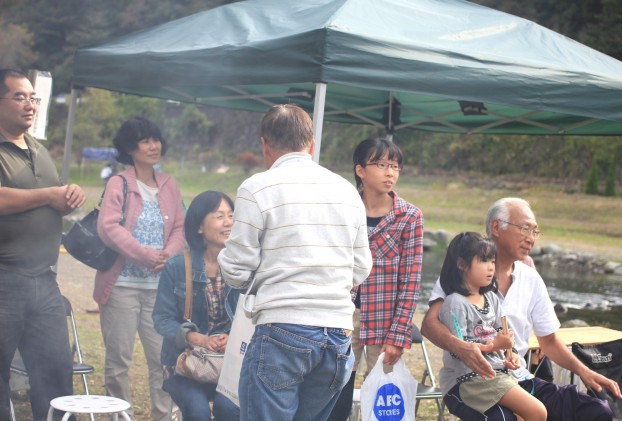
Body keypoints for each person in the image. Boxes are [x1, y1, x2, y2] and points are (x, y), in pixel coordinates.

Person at [217, 104, 373, 421]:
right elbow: (361, 268)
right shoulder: (346, 190)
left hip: (282, 329)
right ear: (311, 143)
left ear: (265, 144)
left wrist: (265, 274)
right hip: (338, 336)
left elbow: (235, 269)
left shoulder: (256, 188)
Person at [421, 197, 621, 421]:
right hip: (474, 380)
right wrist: (463, 348)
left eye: (535, 231)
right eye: (525, 228)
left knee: (595, 411)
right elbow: (429, 324)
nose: (531, 238)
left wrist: (585, 371)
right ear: (496, 227)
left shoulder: (531, 278)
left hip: (518, 377)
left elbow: (549, 341)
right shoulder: (461, 277)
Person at [0, 68, 86, 420]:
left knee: (54, 372)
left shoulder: (38, 149)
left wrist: (68, 195)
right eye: (19, 97)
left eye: (33, 98)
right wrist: (48, 195)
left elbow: (50, 196)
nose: (30, 104)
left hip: (43, 280)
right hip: (4, 280)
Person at [94, 117, 185, 421]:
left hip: (159, 292)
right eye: (145, 140)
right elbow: (107, 228)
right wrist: (146, 256)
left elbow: (181, 228)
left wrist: (168, 254)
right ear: (130, 147)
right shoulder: (118, 182)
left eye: (156, 139)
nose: (153, 146)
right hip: (120, 286)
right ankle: (119, 417)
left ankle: (162, 416)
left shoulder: (170, 185)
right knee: (118, 360)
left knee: (163, 360)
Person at [329, 137, 424, 420]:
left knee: (383, 399)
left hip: (385, 318)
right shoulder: (344, 210)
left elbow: (411, 281)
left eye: (395, 166)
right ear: (360, 170)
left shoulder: (409, 216)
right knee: (337, 387)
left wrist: (398, 335)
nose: (390, 172)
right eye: (381, 165)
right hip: (342, 314)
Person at [438, 232, 546, 420]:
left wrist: (509, 354)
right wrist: (496, 345)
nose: (491, 268)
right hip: (472, 379)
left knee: (522, 416)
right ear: (462, 264)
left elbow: (500, 332)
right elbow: (459, 348)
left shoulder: (491, 299)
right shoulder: (455, 303)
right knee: (537, 412)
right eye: (484, 260)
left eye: (493, 261)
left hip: (498, 373)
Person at [153, 191, 240, 421]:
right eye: (219, 216)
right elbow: (162, 319)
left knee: (229, 409)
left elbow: (252, 317)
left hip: (228, 365)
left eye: (231, 215)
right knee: (198, 410)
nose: (228, 222)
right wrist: (199, 339)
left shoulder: (242, 267)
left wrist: (231, 338)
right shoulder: (177, 266)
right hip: (184, 364)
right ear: (199, 226)